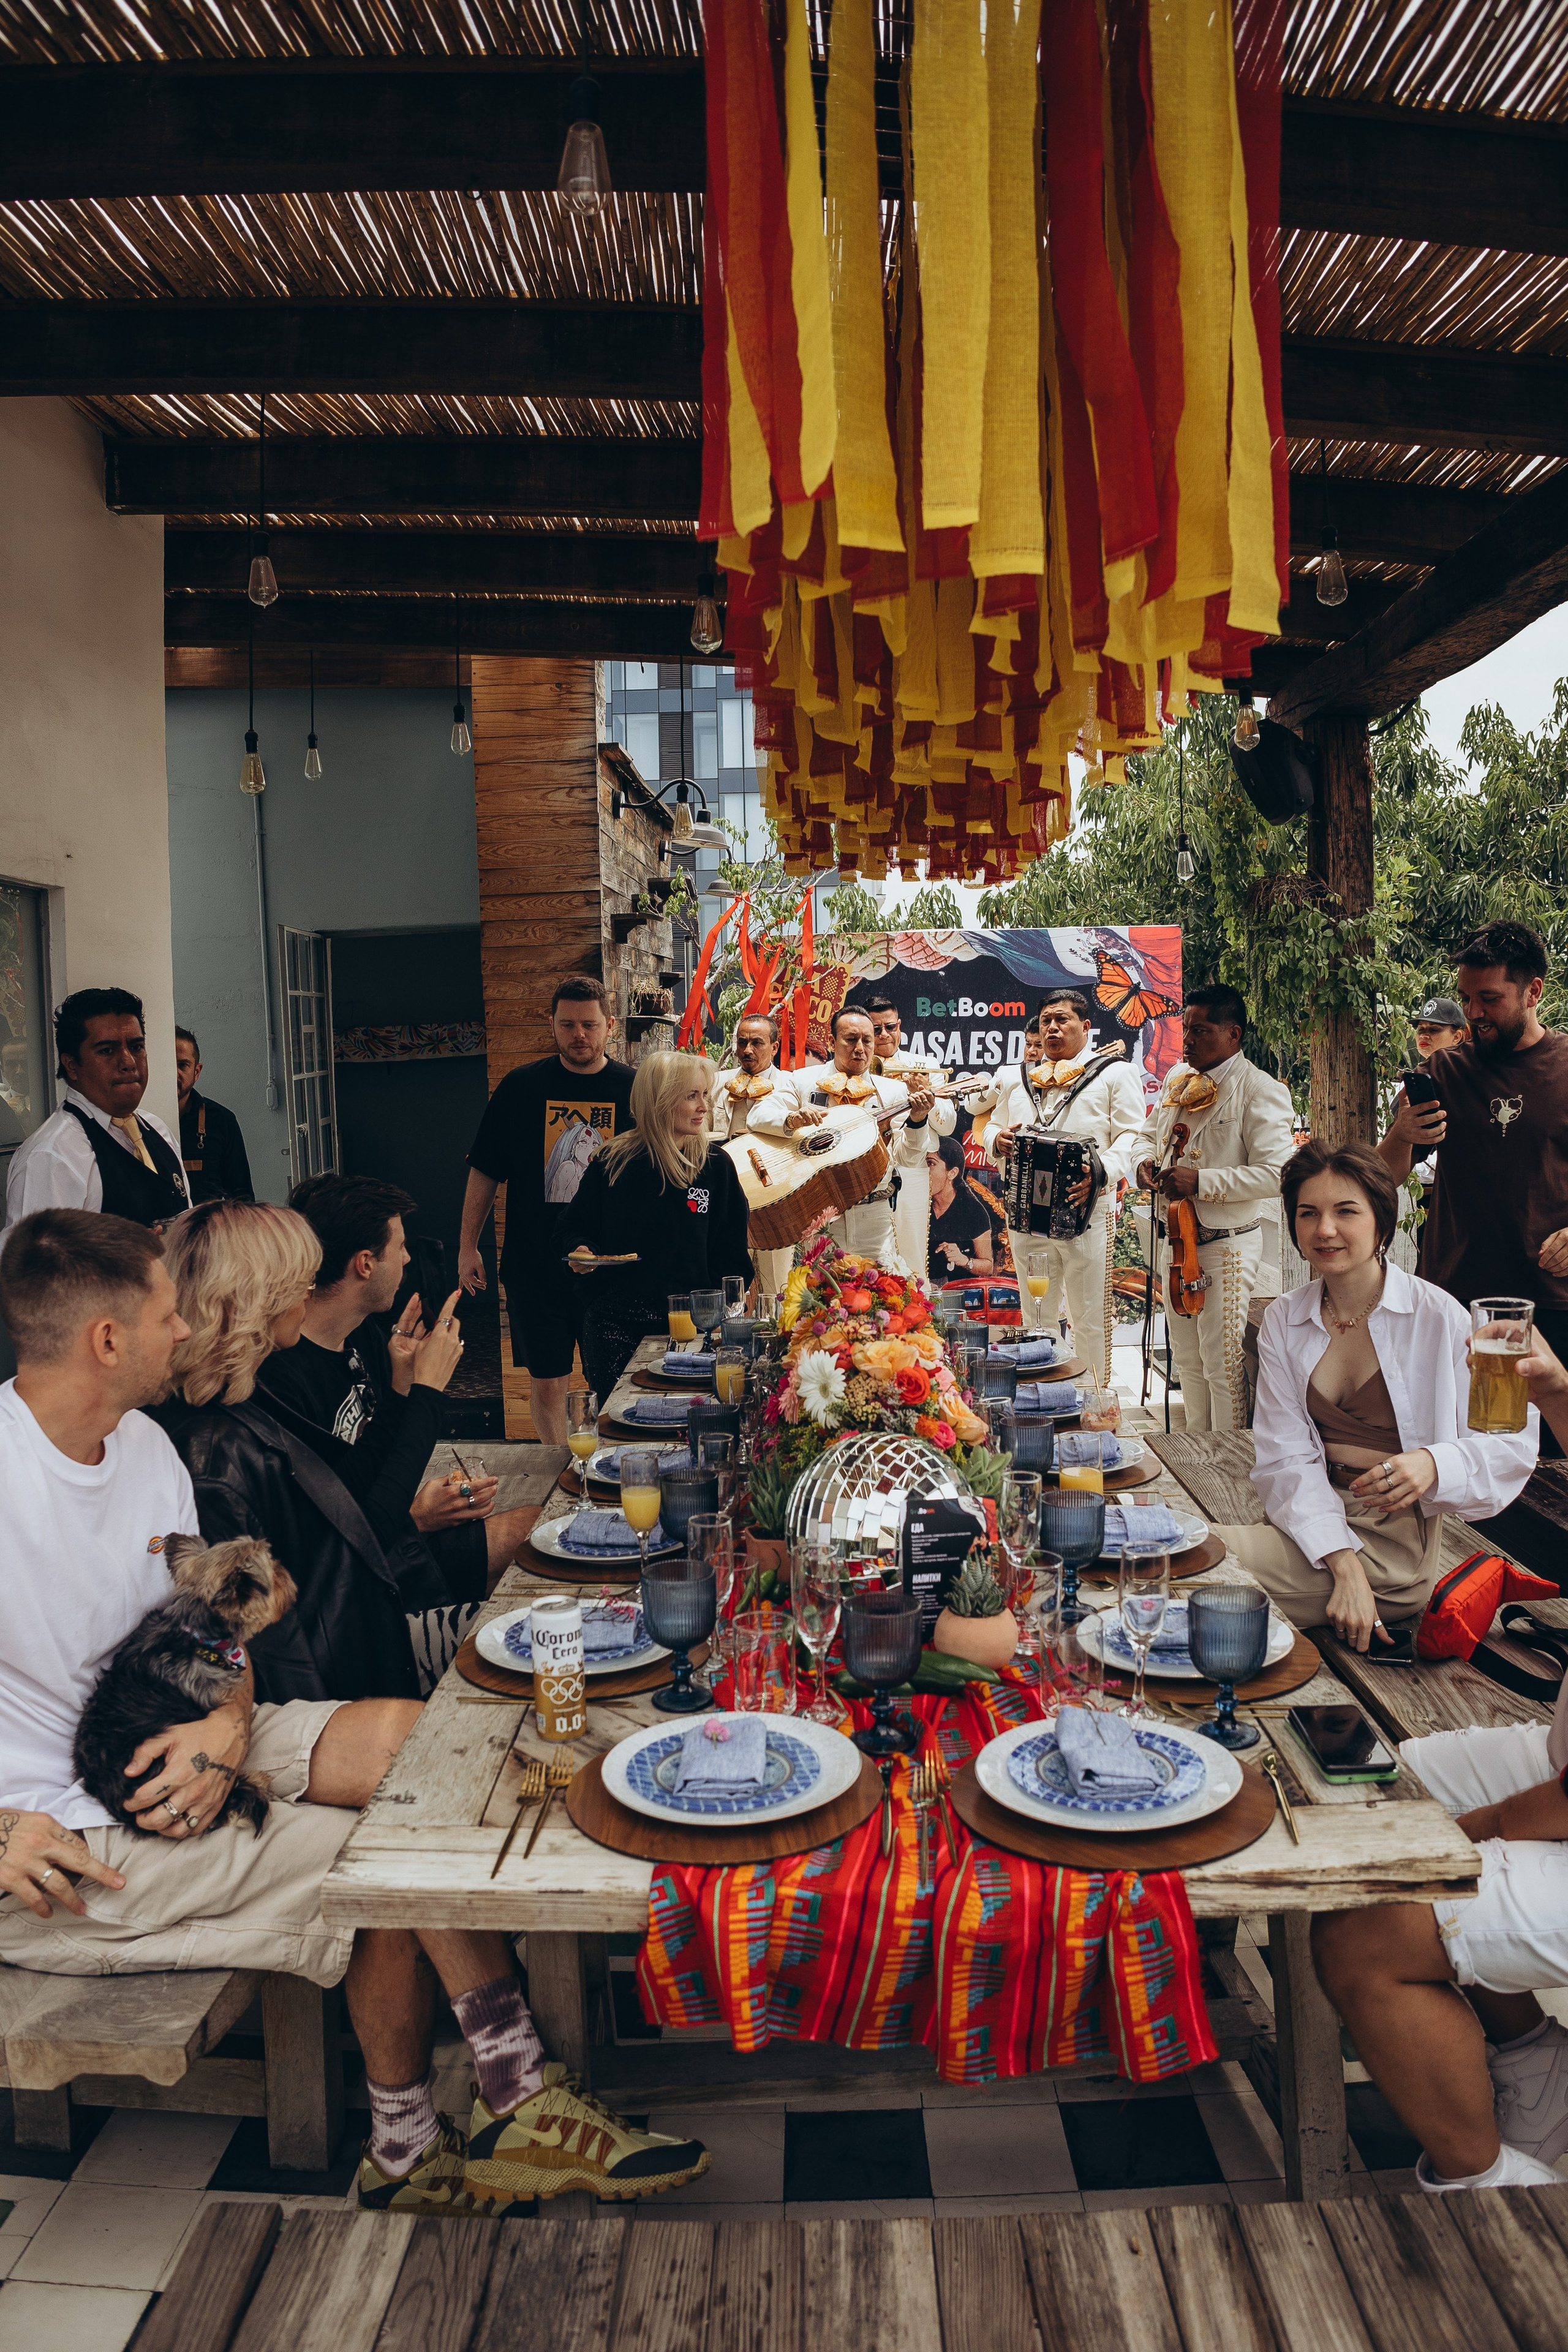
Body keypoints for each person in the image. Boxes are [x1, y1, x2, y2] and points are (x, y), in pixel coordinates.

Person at [0, 1207, 709, 2215]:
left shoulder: (145, 1454)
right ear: (105, 1339)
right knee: (384, 1853)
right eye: (165, 1316)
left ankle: (456, 2124)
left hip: (177, 1730)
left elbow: (223, 1628)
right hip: (62, 1839)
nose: (182, 1331)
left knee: (427, 1756)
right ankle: (462, 2120)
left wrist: (229, 1724)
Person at [1307, 1325, 1568, 2197]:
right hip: (1555, 1756)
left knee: (1362, 1932)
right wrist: (1554, 1393)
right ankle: (1535, 2064)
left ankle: (1498, 2193)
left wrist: (1475, 1834)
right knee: (1375, 1790)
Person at [1214, 1140, 1534, 1649]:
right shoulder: (1284, 1319)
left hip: (1393, 1543)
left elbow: (1512, 1446)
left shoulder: (1440, 1317)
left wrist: (1435, 1462)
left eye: (1346, 1211)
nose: (1325, 1229)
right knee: (1183, 1571)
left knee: (1190, 1562)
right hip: (1307, 1522)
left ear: (1382, 1222)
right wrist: (1343, 1567)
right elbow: (1284, 1455)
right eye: (1308, 1213)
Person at [152, 1200, 449, 1706]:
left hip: (362, 1641)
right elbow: (257, 1644)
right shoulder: (210, 1448)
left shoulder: (245, 1394)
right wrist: (426, 1396)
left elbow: (344, 1490)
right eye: (303, 1283)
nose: (310, 1296)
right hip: (333, 1691)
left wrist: (407, 1395)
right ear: (259, 1298)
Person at [256, 1175, 535, 1676]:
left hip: (395, 1542)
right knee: (529, 1616)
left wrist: (404, 1387)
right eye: (400, 1247)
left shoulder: (363, 1338)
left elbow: (368, 1468)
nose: (407, 1260)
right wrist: (427, 1394)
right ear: (365, 1263)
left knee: (541, 1527)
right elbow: (344, 1537)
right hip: (358, 1589)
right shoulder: (282, 1378)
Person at [1378, 925, 1568, 1457]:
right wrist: (1401, 1136)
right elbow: (1380, 1177)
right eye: (1467, 998)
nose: (1474, 1012)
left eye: (1490, 999)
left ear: (1534, 991)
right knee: (1454, 1458)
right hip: (1455, 1304)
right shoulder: (1442, 1071)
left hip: (1550, 1307)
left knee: (1548, 1472)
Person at [459, 977, 635, 1444]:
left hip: (609, 1266)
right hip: (535, 1265)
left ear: (609, 1026)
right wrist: (466, 1246)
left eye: (590, 1025)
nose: (579, 1034)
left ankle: (611, 1467)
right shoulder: (521, 1087)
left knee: (616, 1378)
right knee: (548, 1379)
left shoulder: (634, 1089)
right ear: (551, 1024)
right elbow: (484, 1170)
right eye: (568, 1024)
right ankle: (557, 1465)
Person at [1133, 984, 1295, 1431]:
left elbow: (1278, 1173)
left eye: (1200, 1031)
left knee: (1221, 1366)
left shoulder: (1260, 1090)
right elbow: (1146, 1137)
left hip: (1226, 1247)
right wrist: (1144, 1163)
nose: (1186, 1041)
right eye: (1186, 1030)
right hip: (1176, 1241)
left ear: (1233, 1034)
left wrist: (1202, 1182)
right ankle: (1196, 1461)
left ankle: (1230, 1463)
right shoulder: (1176, 1080)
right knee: (1187, 1361)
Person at [559, 1050, 751, 1401]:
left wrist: (717, 1318)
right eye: (692, 1096)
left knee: (686, 1429)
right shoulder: (612, 1161)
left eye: (705, 1095)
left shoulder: (716, 1165)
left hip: (696, 1332)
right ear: (659, 1101)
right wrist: (583, 1250)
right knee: (619, 1431)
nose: (704, 1107)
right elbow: (573, 1227)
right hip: (616, 1326)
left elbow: (733, 1255)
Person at [986, 992, 1146, 1380]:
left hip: (1085, 1211)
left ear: (1086, 1027)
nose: (1052, 1028)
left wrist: (1102, 1170)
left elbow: (1134, 1134)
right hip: (1028, 1213)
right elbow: (993, 1124)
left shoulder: (1114, 1073)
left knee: (1088, 1316)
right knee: (1035, 1313)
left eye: (1062, 1020)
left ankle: (1093, 1404)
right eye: (1046, 1022)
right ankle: (1044, 1399)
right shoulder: (1018, 1077)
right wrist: (996, 1139)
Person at [746, 1008, 936, 1270]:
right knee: (822, 1298)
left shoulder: (894, 1092)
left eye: (867, 1041)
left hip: (875, 1216)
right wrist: (792, 1120)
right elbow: (758, 1115)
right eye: (851, 1039)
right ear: (832, 1042)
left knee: (882, 1297)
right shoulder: (803, 1081)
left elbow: (910, 1157)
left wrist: (919, 1119)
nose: (860, 1048)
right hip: (820, 1215)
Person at [5, 987, 188, 1233]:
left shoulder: (157, 1129)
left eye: (136, 1047)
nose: (128, 1062)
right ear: (71, 1065)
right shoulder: (52, 1157)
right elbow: (33, 1267)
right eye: (107, 1050)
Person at [864, 992, 959, 1283]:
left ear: (900, 1026)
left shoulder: (924, 1066)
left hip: (914, 1167)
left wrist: (926, 1100)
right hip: (868, 1169)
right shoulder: (855, 1067)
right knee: (869, 1254)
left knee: (912, 1248)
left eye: (890, 1027)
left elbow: (949, 1127)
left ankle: (917, 1319)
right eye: (875, 1029)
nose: (883, 1035)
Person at [715, 1011, 794, 1305]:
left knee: (777, 1282)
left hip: (774, 1190)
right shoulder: (717, 1083)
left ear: (774, 1047)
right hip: (728, 1190)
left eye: (757, 1043)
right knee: (730, 1276)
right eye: (742, 1042)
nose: (747, 1050)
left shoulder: (790, 1084)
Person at [176, 1026, 254, 1205]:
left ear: (196, 1072)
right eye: (167, 1064)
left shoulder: (222, 1121)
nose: (175, 1073)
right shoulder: (137, 1121)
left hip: (207, 1229)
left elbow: (241, 1198)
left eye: (183, 1065)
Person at [926, 1133, 995, 1284]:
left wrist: (964, 1260)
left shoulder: (974, 1211)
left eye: (931, 1164)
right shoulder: (919, 1204)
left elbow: (988, 1267)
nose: (924, 1171)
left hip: (958, 1293)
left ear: (952, 1173)